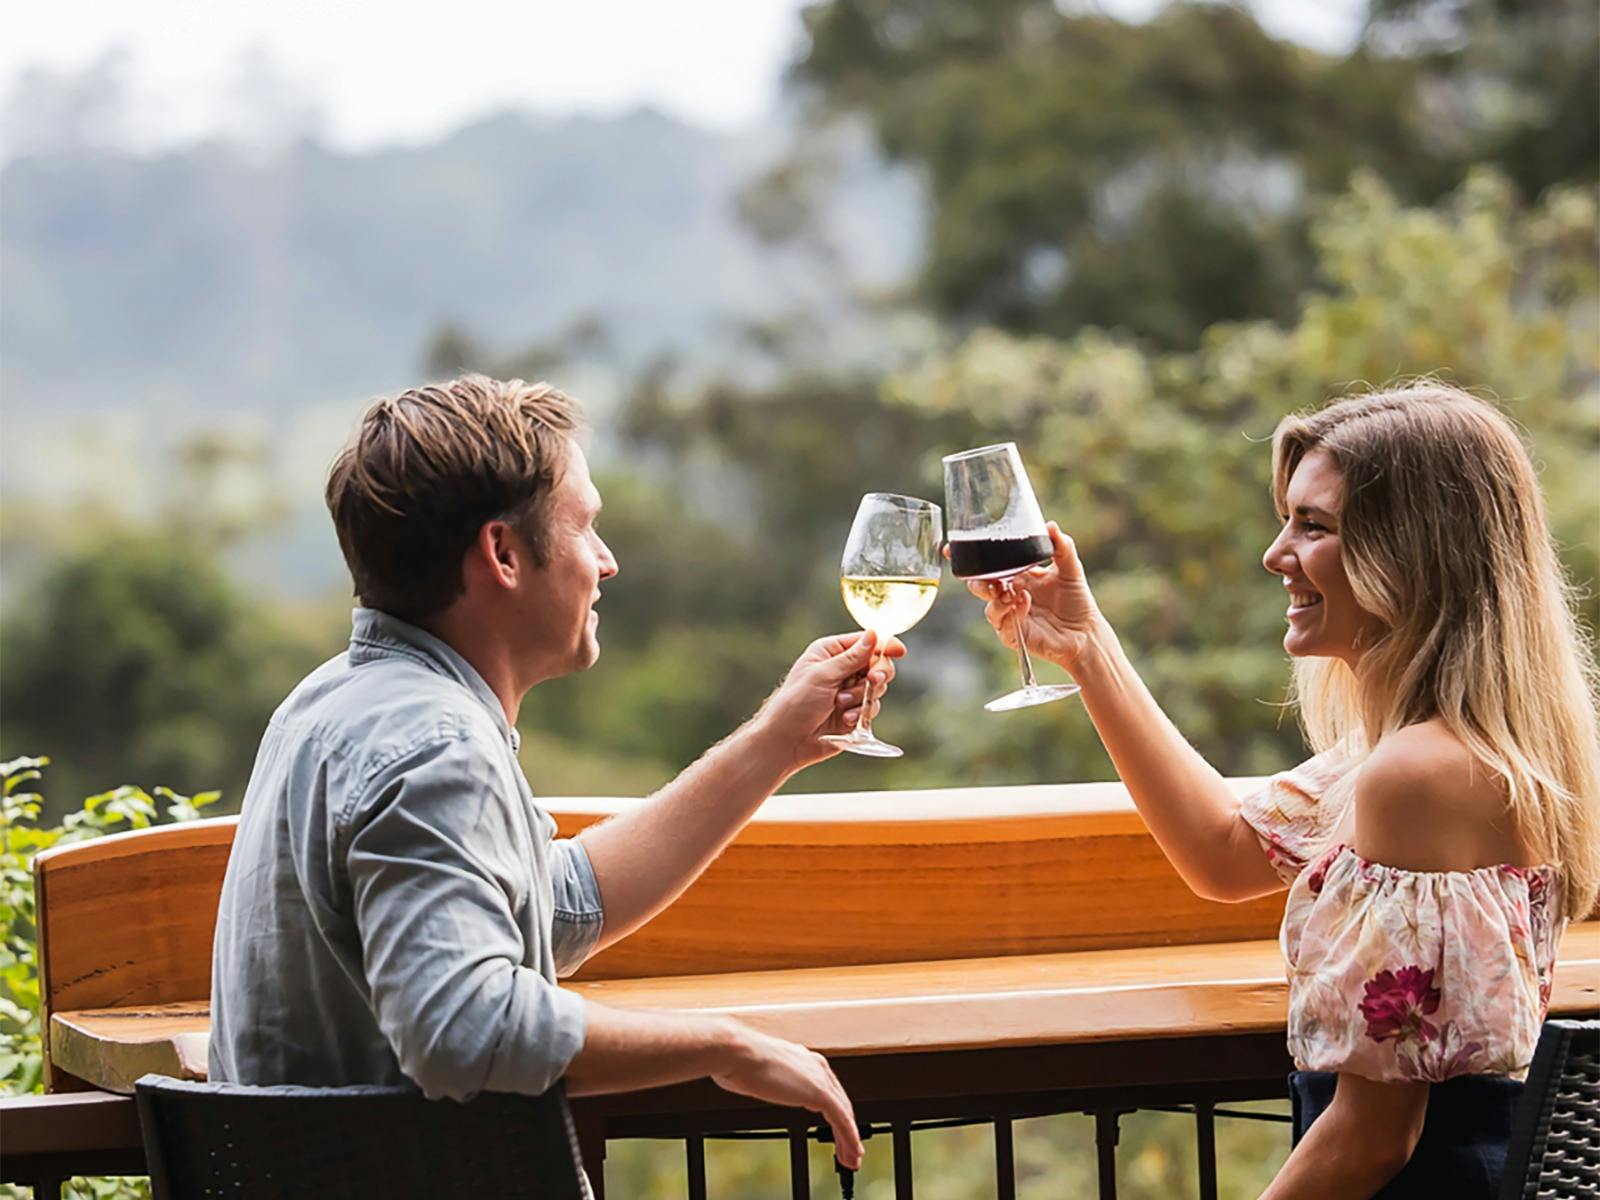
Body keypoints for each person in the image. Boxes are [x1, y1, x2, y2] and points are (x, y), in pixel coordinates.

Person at [210, 375, 897, 1172]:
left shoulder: (332, 702)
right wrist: (725, 1045)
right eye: (585, 530)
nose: (606, 563)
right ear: (503, 554)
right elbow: (463, 1028)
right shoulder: (434, 743)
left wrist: (777, 742)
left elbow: (557, 903)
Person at [967, 382, 1598, 1198]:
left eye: (1314, 525)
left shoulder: (1420, 775)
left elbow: (1371, 1142)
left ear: (1412, 553)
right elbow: (1225, 854)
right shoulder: (1430, 747)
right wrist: (1087, 649)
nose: (1275, 554)